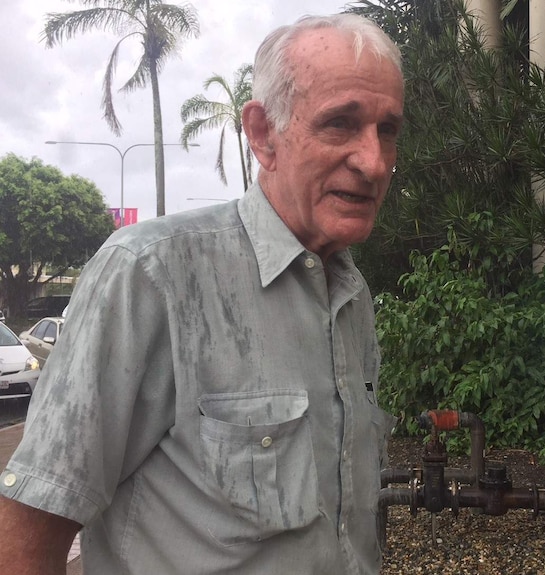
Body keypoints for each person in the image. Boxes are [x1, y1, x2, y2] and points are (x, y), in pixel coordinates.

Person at [0, 13, 402, 575]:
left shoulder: (349, 293)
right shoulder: (149, 274)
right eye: (340, 123)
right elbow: (30, 529)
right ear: (263, 135)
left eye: (389, 129)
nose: (375, 161)